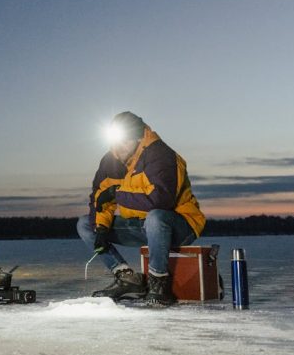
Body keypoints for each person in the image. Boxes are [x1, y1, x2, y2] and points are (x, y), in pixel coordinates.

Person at [77, 111, 206, 305]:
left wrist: (117, 193)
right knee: (86, 225)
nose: (119, 148)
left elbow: (160, 201)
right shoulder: (110, 161)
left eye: (125, 141)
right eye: (116, 141)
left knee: (155, 217)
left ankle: (158, 283)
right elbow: (100, 197)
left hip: (179, 225)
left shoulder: (160, 154)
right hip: (141, 226)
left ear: (139, 137)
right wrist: (102, 228)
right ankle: (127, 278)